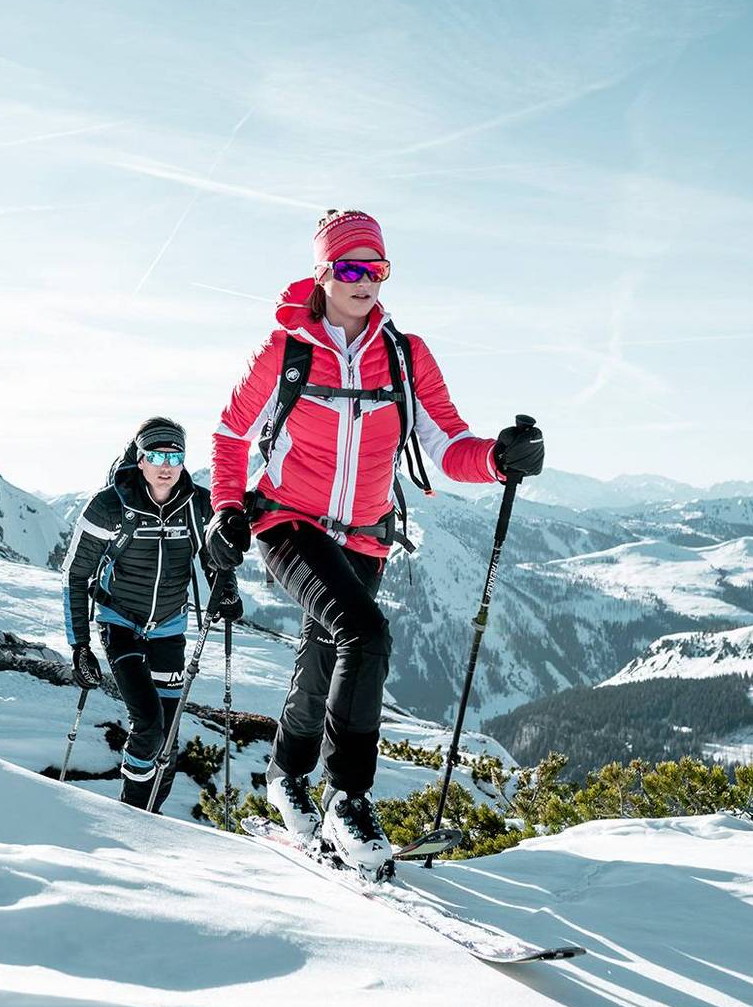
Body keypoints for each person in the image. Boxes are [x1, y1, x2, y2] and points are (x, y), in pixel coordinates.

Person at [204, 209, 544, 874]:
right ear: (323, 273)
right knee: (366, 633)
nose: (365, 280)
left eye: (377, 268)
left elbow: (447, 442)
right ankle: (348, 797)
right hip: (288, 522)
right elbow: (229, 432)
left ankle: (285, 776)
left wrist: (500, 458)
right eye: (350, 267)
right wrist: (224, 508)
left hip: (366, 535)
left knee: (327, 654)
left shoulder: (405, 356)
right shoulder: (287, 349)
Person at [61, 416, 243, 810]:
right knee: (148, 724)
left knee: (169, 733)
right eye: (156, 455)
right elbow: (76, 575)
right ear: (139, 460)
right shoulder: (110, 506)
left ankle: (152, 818)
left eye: (174, 455)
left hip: (169, 628)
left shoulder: (197, 504)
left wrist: (225, 590)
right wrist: (79, 647)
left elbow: (217, 558)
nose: (166, 464)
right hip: (120, 623)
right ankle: (132, 814)